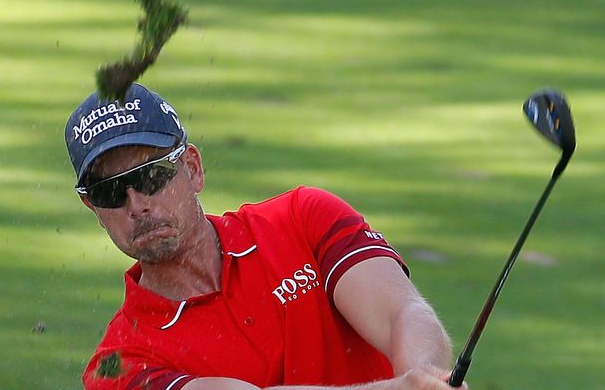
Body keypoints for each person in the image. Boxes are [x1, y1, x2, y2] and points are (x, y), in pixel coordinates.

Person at [65, 83, 468, 390]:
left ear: (192, 169)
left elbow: (402, 312)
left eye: (150, 176)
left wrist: (424, 375)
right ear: (93, 209)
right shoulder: (117, 364)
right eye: (110, 192)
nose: (136, 205)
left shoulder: (302, 217)